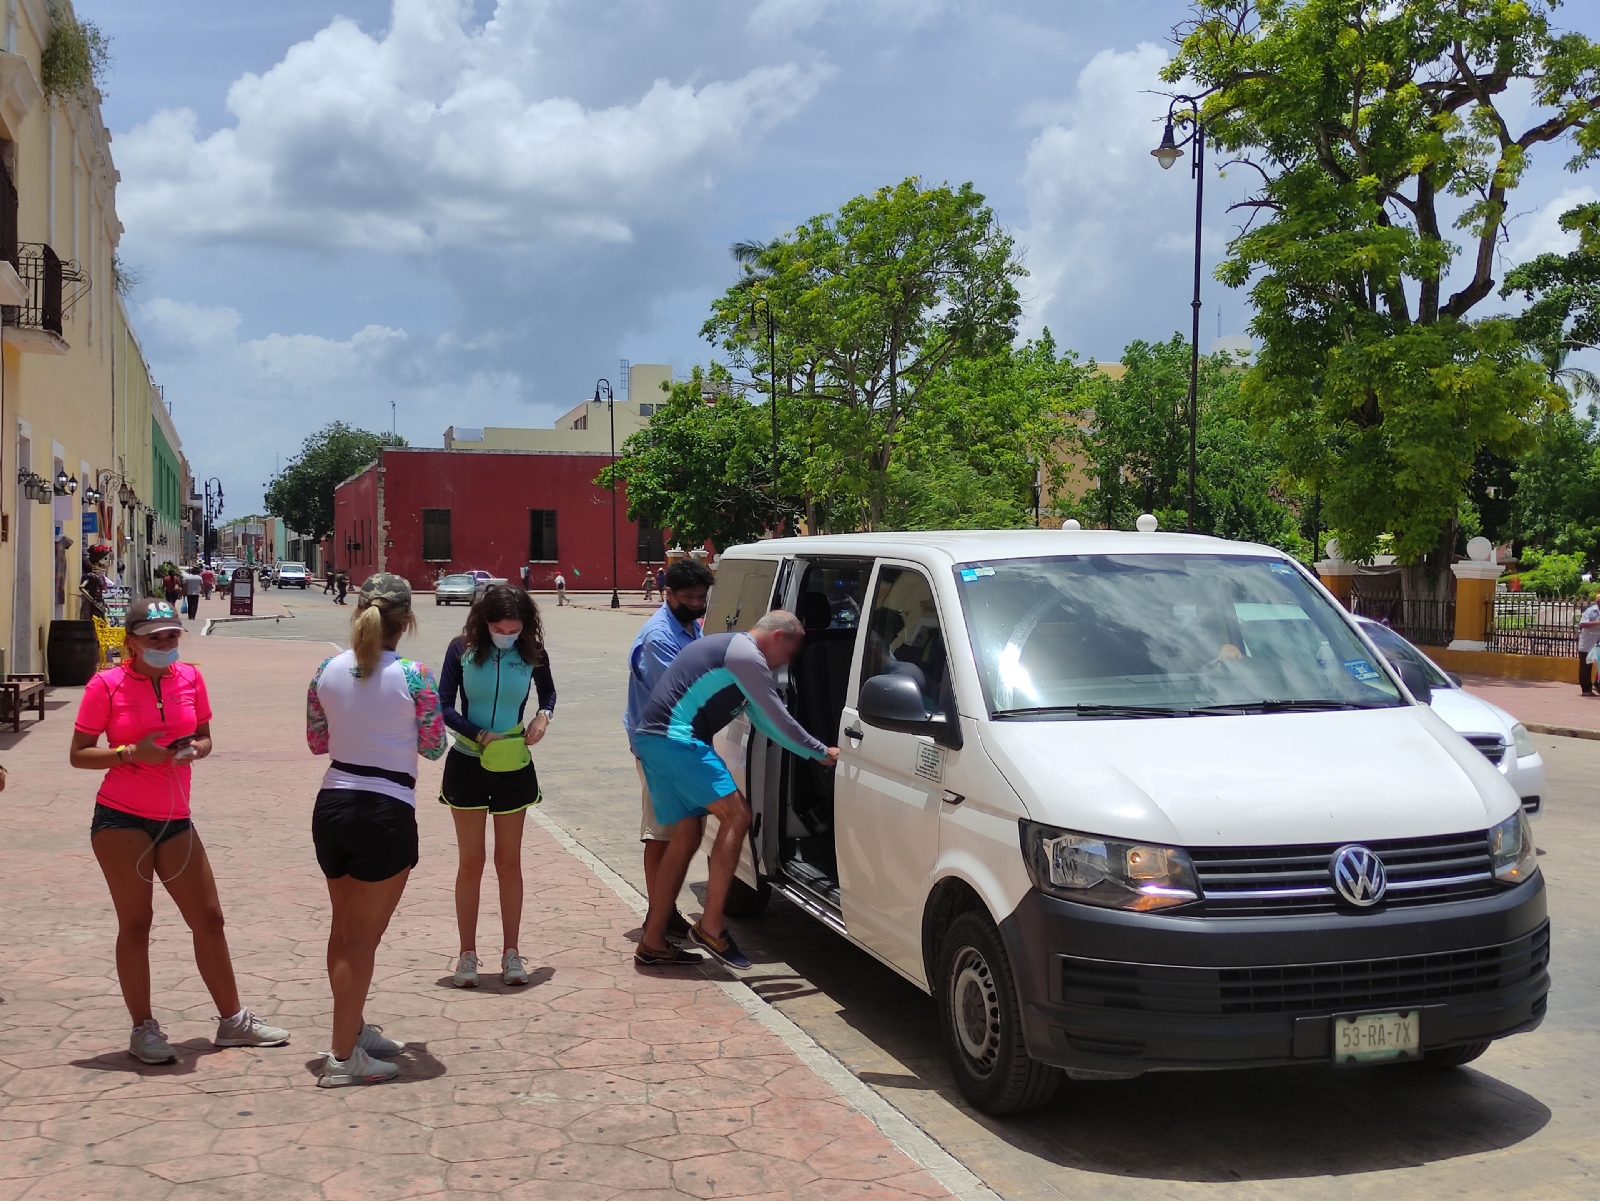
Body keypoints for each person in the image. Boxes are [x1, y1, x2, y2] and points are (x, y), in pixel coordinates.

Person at [69, 597, 290, 1064]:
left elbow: (205, 734)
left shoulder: (190, 677)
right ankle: (143, 1028)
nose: (166, 644)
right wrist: (131, 753)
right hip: (120, 818)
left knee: (209, 918)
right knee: (136, 923)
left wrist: (197, 750)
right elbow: (79, 754)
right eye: (155, 638)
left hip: (176, 817)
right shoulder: (105, 686)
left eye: (172, 635)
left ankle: (233, 1022)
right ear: (131, 642)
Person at [633, 610, 839, 969]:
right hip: (677, 740)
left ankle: (653, 941)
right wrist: (821, 751)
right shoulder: (746, 654)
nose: (785, 664)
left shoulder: (734, 652)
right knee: (737, 815)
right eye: (789, 654)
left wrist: (810, 753)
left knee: (686, 836)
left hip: (654, 740)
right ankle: (711, 927)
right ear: (778, 637)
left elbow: (763, 719)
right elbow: (777, 714)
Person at [306, 573, 445, 1087]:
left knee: (343, 930)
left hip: (333, 803)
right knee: (362, 939)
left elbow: (317, 741)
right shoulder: (414, 674)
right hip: (384, 809)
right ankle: (342, 1057)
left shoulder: (327, 668)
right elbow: (434, 747)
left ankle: (354, 1027)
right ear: (405, 621)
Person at [437, 585, 556, 988]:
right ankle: (466, 955)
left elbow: (549, 693)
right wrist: (477, 733)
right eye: (497, 627)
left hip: (513, 765)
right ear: (483, 621)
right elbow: (443, 705)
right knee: (471, 862)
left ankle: (511, 953)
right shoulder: (461, 649)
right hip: (468, 763)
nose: (505, 633)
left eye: (513, 627)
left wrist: (543, 716)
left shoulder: (531, 651)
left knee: (509, 862)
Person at [623, 558, 714, 944]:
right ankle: (658, 916)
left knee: (681, 831)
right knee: (662, 834)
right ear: (669, 593)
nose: (696, 603)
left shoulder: (689, 626)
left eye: (701, 597)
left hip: (680, 744)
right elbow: (684, 695)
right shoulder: (659, 637)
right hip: (661, 745)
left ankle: (663, 909)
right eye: (689, 597)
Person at [1580, 596, 1600, 696]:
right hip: (1588, 642)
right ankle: (1586, 689)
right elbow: (1582, 624)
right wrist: (1597, 623)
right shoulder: (1591, 611)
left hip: (1599, 642)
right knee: (1586, 666)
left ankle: (1598, 684)